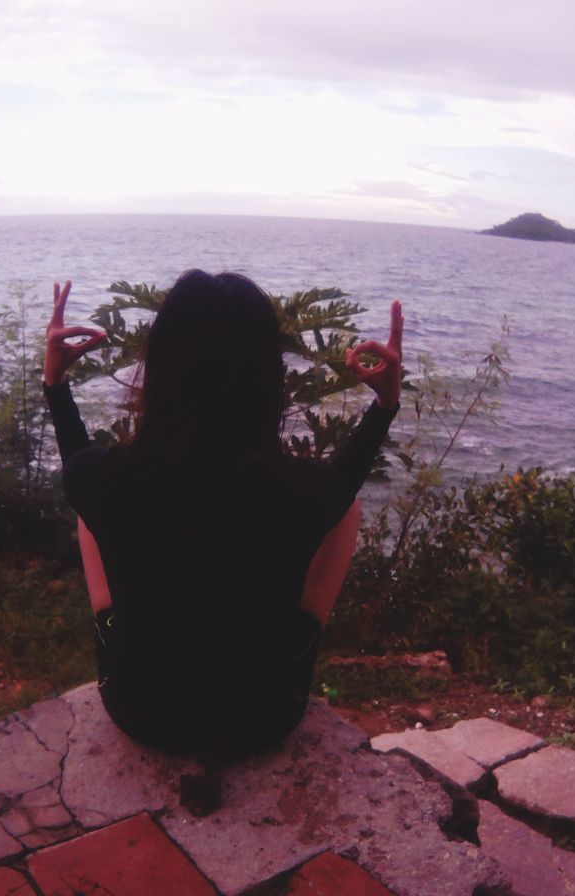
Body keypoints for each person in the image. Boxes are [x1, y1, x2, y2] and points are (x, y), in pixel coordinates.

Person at [43, 270, 402, 755]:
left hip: (138, 710)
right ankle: (298, 643)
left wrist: (56, 384)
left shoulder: (110, 479)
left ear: (161, 369)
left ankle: (115, 629)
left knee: (91, 510)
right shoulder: (300, 491)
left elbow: (77, 464)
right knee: (348, 509)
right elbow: (343, 482)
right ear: (266, 378)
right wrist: (384, 404)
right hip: (264, 718)